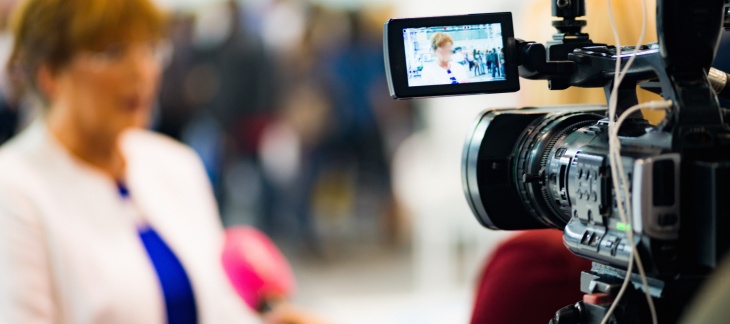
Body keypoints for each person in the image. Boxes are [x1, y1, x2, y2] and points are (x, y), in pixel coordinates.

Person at [0, 1, 320, 323]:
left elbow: (217, 304)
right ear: (50, 73)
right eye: (112, 52)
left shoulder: (175, 165)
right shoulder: (15, 189)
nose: (141, 70)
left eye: (150, 49)